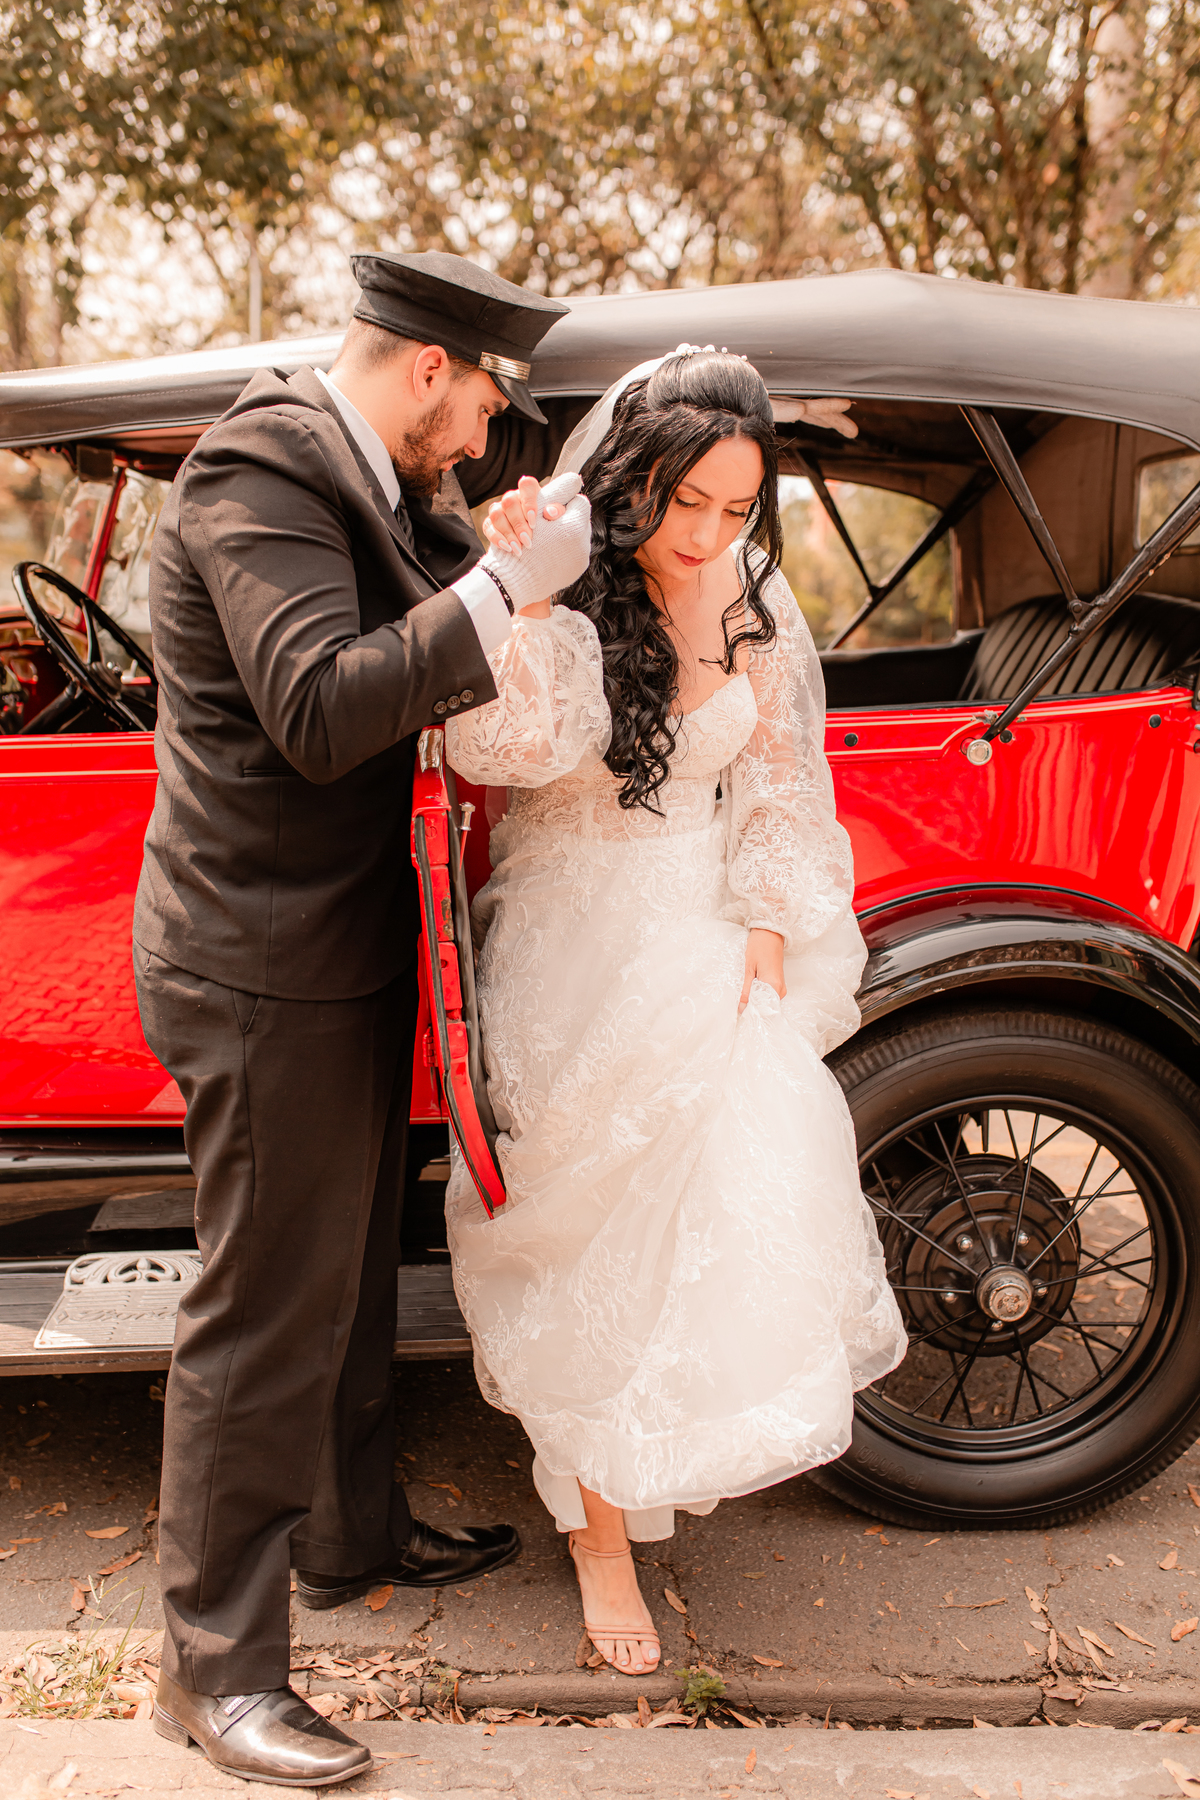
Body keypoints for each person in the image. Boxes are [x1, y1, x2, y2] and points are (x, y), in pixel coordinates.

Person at [133, 250, 592, 1788]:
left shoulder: (370, 479)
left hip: (340, 947)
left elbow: (431, 581)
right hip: (258, 963)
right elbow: (324, 706)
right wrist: (502, 586)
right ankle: (216, 1672)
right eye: (476, 409)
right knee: (263, 1312)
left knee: (341, 1271)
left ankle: (350, 1533)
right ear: (422, 370)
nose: (478, 443)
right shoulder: (258, 465)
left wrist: (491, 550)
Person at [444, 347, 907, 1679]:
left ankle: (665, 1445)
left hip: (705, 928)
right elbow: (507, 754)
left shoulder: (754, 600)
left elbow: (784, 787)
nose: (707, 537)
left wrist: (766, 938)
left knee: (714, 1214)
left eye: (734, 510)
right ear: (633, 481)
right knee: (583, 1241)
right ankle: (597, 1533)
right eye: (685, 503)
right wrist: (523, 598)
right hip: (567, 937)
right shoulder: (568, 587)